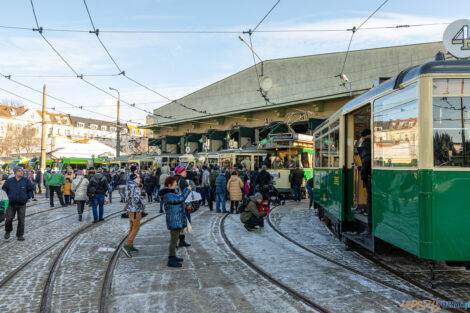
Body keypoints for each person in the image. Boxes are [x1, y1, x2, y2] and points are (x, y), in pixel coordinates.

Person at [160, 176, 191, 268]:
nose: (177, 186)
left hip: (176, 220)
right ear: (169, 185)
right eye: (175, 184)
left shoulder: (172, 192)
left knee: (175, 239)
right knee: (173, 240)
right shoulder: (168, 195)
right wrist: (187, 190)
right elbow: (179, 199)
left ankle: (173, 256)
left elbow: (180, 200)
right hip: (174, 220)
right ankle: (171, 259)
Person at [3, 167, 34, 241]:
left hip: (22, 203)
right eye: (19, 171)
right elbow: (4, 190)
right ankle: (8, 231)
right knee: (8, 219)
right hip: (11, 203)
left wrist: (27, 197)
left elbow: (30, 189)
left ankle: (20, 235)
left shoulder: (26, 181)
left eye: (22, 171)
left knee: (21, 220)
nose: (21, 172)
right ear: (15, 172)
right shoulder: (9, 181)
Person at [121, 173, 146, 258]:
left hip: (130, 209)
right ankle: (127, 246)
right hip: (135, 210)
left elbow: (127, 198)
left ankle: (130, 245)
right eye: (138, 178)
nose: (140, 179)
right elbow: (136, 199)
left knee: (132, 227)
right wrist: (142, 205)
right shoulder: (135, 187)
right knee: (136, 228)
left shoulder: (129, 185)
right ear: (134, 179)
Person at [357, 129, 372, 235]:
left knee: (370, 200)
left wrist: (362, 174)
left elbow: (366, 161)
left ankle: (370, 227)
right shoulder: (374, 142)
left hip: (369, 176)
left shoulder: (366, 144)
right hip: (372, 175)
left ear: (363, 137)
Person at [174, 165, 193, 247]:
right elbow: (186, 193)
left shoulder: (173, 179)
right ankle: (179, 240)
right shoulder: (182, 181)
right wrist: (189, 189)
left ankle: (179, 240)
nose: (186, 173)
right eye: (184, 171)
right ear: (180, 172)